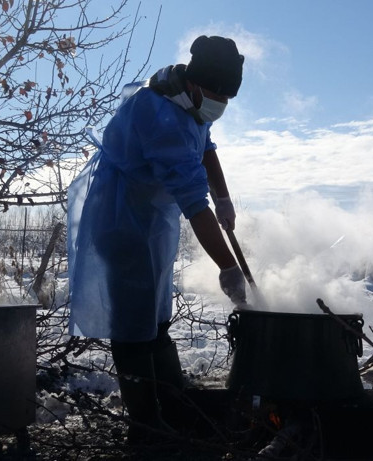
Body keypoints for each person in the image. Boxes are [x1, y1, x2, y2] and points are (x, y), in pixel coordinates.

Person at [66, 35, 247, 443]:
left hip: (151, 220)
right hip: (122, 220)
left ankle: (174, 401)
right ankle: (146, 424)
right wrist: (228, 267)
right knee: (133, 327)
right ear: (198, 83)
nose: (221, 104)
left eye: (228, 98)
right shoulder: (159, 114)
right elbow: (192, 204)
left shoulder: (189, 103)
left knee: (157, 319)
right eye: (218, 94)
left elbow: (206, 148)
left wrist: (225, 198)